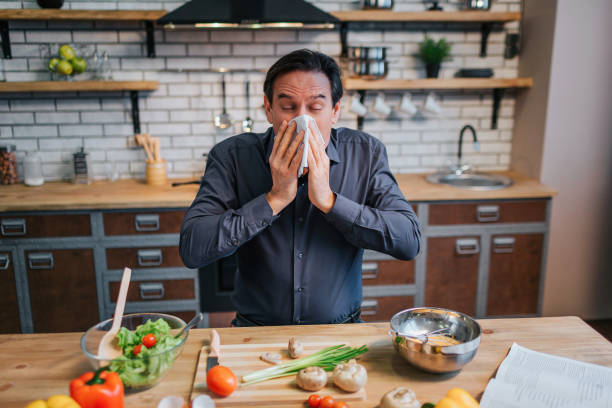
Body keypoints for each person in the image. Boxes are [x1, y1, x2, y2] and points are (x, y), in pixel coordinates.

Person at [180, 49, 421, 326]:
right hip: (254, 331)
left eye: (315, 108)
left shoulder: (366, 153)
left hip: (341, 333)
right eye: (288, 107)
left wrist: (330, 202)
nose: (302, 120)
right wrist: (275, 199)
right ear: (268, 109)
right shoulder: (231, 157)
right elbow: (192, 248)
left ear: (334, 111)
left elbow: (409, 240)